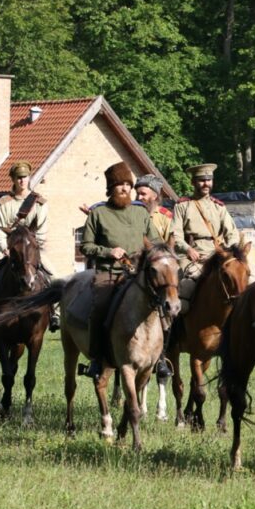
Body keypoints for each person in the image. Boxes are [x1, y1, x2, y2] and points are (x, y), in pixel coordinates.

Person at [79, 161, 162, 380]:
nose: (124, 188)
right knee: (100, 308)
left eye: (128, 184)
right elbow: (85, 246)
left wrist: (152, 255)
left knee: (164, 306)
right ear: (110, 188)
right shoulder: (98, 214)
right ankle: (97, 359)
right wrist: (108, 251)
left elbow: (155, 241)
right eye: (119, 184)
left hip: (139, 275)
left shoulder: (140, 213)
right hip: (110, 273)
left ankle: (161, 358)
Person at [0, 160, 59, 328]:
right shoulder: (4, 203)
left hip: (32, 250)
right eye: (18, 177)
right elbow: (0, 230)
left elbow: (41, 232)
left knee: (55, 277)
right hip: (9, 250)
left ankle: (56, 315)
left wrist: (33, 250)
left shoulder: (39, 203)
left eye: (25, 177)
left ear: (29, 178)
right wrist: (4, 249)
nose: (22, 181)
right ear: (13, 179)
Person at [171, 163, 239, 279]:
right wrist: (188, 250)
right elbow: (175, 235)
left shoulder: (219, 207)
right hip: (191, 257)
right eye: (201, 180)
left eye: (209, 180)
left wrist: (225, 252)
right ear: (193, 182)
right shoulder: (182, 206)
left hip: (216, 256)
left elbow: (232, 233)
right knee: (188, 284)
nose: (206, 184)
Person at [135, 173, 173, 242]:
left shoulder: (166, 217)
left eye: (143, 194)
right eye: (137, 194)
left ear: (154, 196)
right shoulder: (131, 213)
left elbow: (170, 245)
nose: (139, 197)